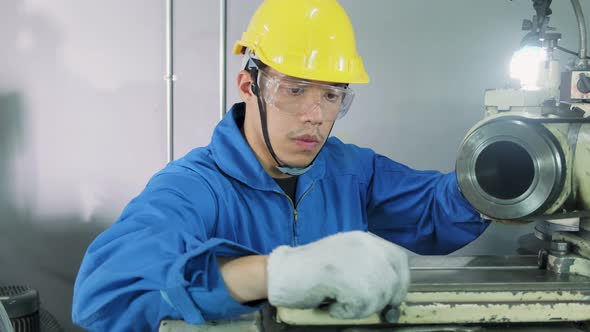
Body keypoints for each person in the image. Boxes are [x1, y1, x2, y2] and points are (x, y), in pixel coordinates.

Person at [72, 0, 490, 331]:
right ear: (248, 86)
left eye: (331, 95)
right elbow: (107, 299)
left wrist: (503, 176)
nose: (315, 114)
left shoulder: (350, 170)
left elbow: (439, 208)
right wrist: (271, 275)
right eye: (294, 89)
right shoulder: (193, 187)